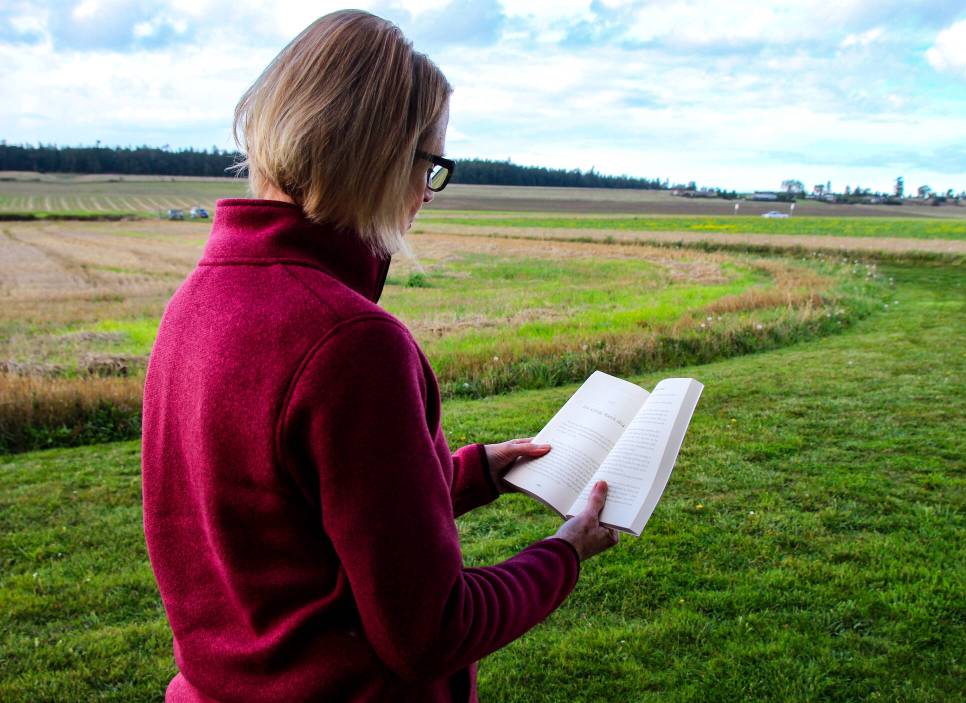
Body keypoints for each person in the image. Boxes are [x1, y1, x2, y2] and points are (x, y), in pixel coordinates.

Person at [141, 9, 618, 703]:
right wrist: (563, 553)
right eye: (430, 163)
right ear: (376, 157)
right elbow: (430, 632)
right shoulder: (351, 343)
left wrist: (474, 472)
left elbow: (291, 514)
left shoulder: (196, 300)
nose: (428, 191)